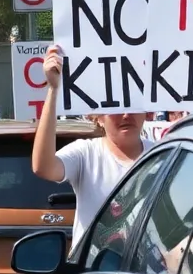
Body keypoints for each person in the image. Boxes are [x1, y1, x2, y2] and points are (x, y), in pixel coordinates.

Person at [31, 44, 153, 244]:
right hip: (93, 272)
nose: (125, 114)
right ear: (97, 117)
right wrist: (53, 89)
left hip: (146, 273)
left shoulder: (164, 156)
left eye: (133, 105)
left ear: (147, 111)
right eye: (114, 106)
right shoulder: (86, 154)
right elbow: (43, 167)